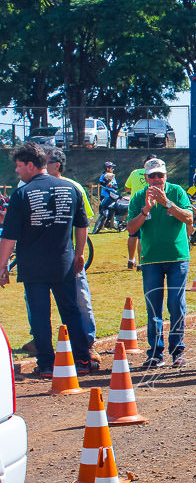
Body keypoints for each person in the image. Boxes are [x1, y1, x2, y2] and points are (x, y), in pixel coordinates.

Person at [0, 143, 91, 377]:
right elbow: (82, 225)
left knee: (41, 316)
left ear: (30, 165)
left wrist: (1, 266)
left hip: (33, 266)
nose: (17, 171)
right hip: (64, 262)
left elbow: (9, 236)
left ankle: (47, 364)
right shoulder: (71, 189)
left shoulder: (22, 194)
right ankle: (82, 358)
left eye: (19, 166)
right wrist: (80, 253)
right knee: (71, 311)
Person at [126, 158, 194, 368]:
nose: (156, 180)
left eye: (160, 175)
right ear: (145, 178)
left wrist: (167, 204)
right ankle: (155, 352)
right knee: (153, 307)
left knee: (176, 304)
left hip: (177, 257)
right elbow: (130, 229)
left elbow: (189, 218)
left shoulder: (177, 192)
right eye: (152, 176)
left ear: (166, 176)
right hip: (151, 259)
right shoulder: (138, 196)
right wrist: (145, 209)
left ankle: (177, 351)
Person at [45, 148, 100, 367]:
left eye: (46, 161)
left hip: (68, 254)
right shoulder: (31, 185)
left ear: (57, 164)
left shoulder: (73, 187)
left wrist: (80, 253)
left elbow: (83, 223)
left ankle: (87, 342)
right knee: (36, 302)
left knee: (80, 298)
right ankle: (39, 340)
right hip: (41, 256)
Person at [125, 154, 158, 269]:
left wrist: (135, 188)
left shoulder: (134, 172)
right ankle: (140, 263)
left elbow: (126, 187)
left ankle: (130, 260)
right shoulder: (155, 175)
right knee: (141, 236)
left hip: (133, 204)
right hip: (147, 204)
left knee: (132, 234)